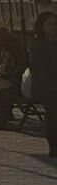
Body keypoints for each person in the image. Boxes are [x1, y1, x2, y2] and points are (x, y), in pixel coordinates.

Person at [28, 11, 57, 158]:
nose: (54, 27)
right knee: (53, 115)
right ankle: (54, 146)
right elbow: (38, 69)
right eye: (50, 24)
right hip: (48, 87)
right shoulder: (38, 45)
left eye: (55, 23)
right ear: (42, 26)